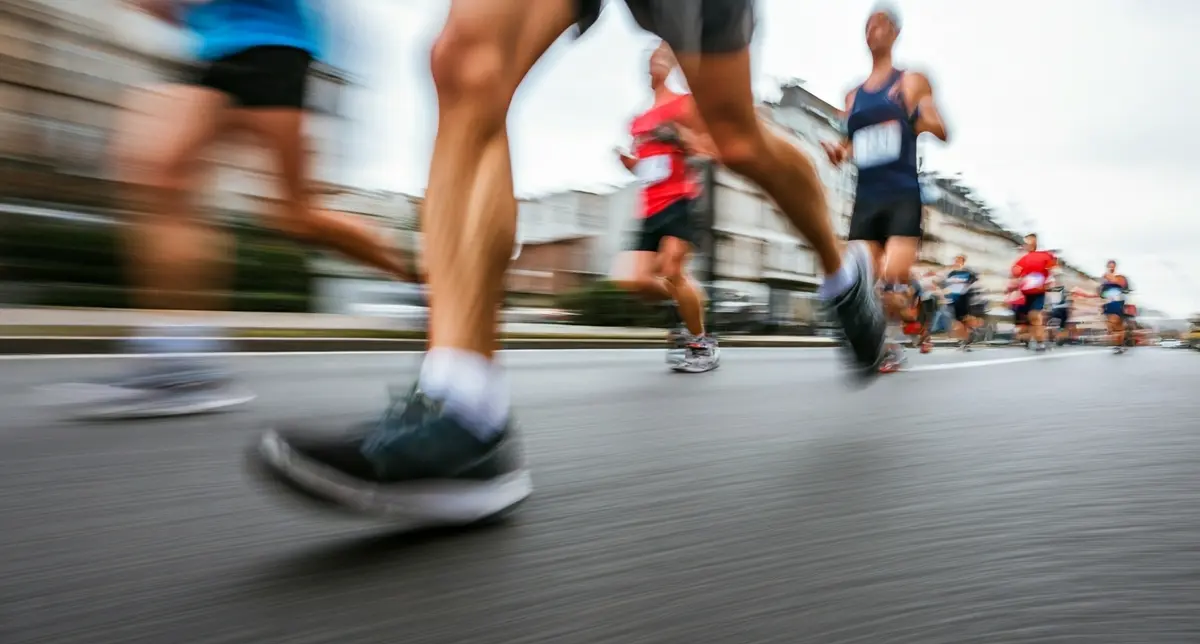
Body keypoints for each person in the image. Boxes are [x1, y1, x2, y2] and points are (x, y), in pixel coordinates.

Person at [248, 0, 889, 524]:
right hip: (653, 203)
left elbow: (706, 146)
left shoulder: (673, 106)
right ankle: (463, 410)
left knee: (736, 134)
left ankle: (840, 269)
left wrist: (683, 150)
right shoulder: (643, 116)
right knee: (465, 62)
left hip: (682, 187)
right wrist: (638, 162)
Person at [55, 0, 417, 419]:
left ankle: (420, 276)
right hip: (215, 52)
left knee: (294, 215)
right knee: (161, 176)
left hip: (269, 47)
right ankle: (180, 361)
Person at [821, 5, 948, 373]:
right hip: (866, 199)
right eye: (868, 25)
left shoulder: (911, 80)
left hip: (902, 195)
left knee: (892, 282)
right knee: (859, 280)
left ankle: (908, 319)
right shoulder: (852, 96)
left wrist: (921, 119)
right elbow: (848, 144)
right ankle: (882, 342)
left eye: (881, 24)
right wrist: (837, 151)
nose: (872, 29)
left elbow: (938, 125)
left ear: (895, 33)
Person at [613, 42, 719, 373]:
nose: (656, 64)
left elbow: (711, 149)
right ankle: (688, 301)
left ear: (671, 66)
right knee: (635, 282)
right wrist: (629, 163)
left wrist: (680, 138)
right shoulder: (637, 121)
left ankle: (701, 342)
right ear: (647, 69)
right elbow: (645, 165)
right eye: (652, 59)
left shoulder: (684, 105)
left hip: (680, 200)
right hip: (649, 207)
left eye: (662, 58)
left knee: (673, 271)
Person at [1010, 233, 1056, 352]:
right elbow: (1016, 273)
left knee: (1034, 316)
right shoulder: (1023, 258)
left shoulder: (1046, 255)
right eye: (1026, 242)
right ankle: (1035, 338)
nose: (1028, 244)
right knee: (1025, 320)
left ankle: (1041, 342)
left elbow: (1052, 270)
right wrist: (1015, 279)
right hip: (1024, 293)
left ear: (1036, 242)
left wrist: (1049, 282)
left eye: (1030, 241)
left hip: (1039, 291)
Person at [941, 253, 981, 351]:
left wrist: (968, 290)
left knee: (962, 320)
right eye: (956, 259)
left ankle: (966, 339)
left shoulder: (968, 272)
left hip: (963, 298)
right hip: (952, 299)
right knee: (959, 321)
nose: (957, 261)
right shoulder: (951, 273)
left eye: (959, 260)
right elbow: (945, 285)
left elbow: (974, 283)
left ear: (963, 261)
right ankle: (970, 333)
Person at [1098, 260, 1132, 353]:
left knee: (1118, 324)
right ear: (1107, 267)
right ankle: (1118, 344)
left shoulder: (1120, 277)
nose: (1111, 268)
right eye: (1109, 266)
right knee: (1112, 325)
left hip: (1118, 302)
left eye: (1112, 266)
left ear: (1115, 267)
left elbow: (1124, 286)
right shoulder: (1104, 278)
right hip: (1109, 302)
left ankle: (1119, 344)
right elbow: (1101, 291)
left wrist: (1111, 278)